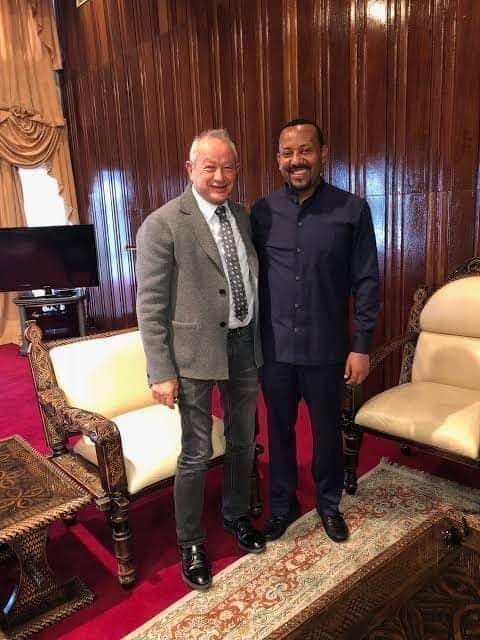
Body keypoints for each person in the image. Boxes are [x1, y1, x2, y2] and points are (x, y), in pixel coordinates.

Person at [136, 129, 265, 591]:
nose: (220, 176)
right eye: (209, 167)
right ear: (190, 169)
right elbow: (150, 305)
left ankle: (235, 515)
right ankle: (191, 542)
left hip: (244, 344)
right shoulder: (163, 223)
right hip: (191, 356)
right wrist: (161, 371)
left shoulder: (243, 217)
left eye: (228, 167)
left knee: (243, 440)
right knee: (195, 453)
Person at [251, 119, 379, 543]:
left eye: (305, 150)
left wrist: (361, 345)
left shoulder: (352, 209)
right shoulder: (262, 212)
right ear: (278, 160)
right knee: (279, 431)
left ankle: (328, 504)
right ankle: (282, 505)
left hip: (327, 347)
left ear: (323, 154)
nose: (296, 160)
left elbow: (366, 281)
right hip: (275, 348)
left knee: (326, 432)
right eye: (288, 153)